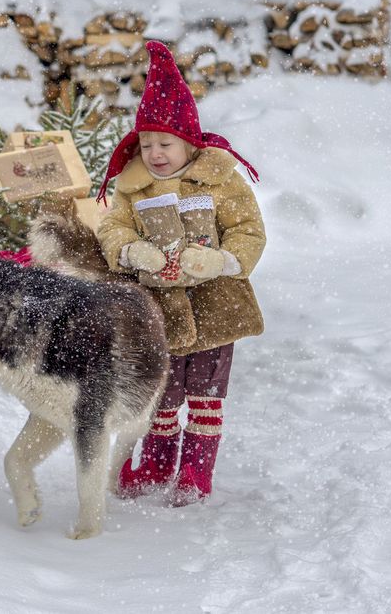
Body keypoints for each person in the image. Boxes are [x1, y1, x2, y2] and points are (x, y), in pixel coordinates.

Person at [95, 40, 266, 506]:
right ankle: (154, 463)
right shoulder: (133, 186)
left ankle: (195, 474)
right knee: (162, 397)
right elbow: (112, 228)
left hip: (216, 308)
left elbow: (248, 230)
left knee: (207, 396)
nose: (154, 153)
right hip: (157, 311)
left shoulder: (220, 179)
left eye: (165, 143)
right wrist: (131, 252)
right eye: (146, 143)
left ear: (189, 140)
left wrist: (223, 260)